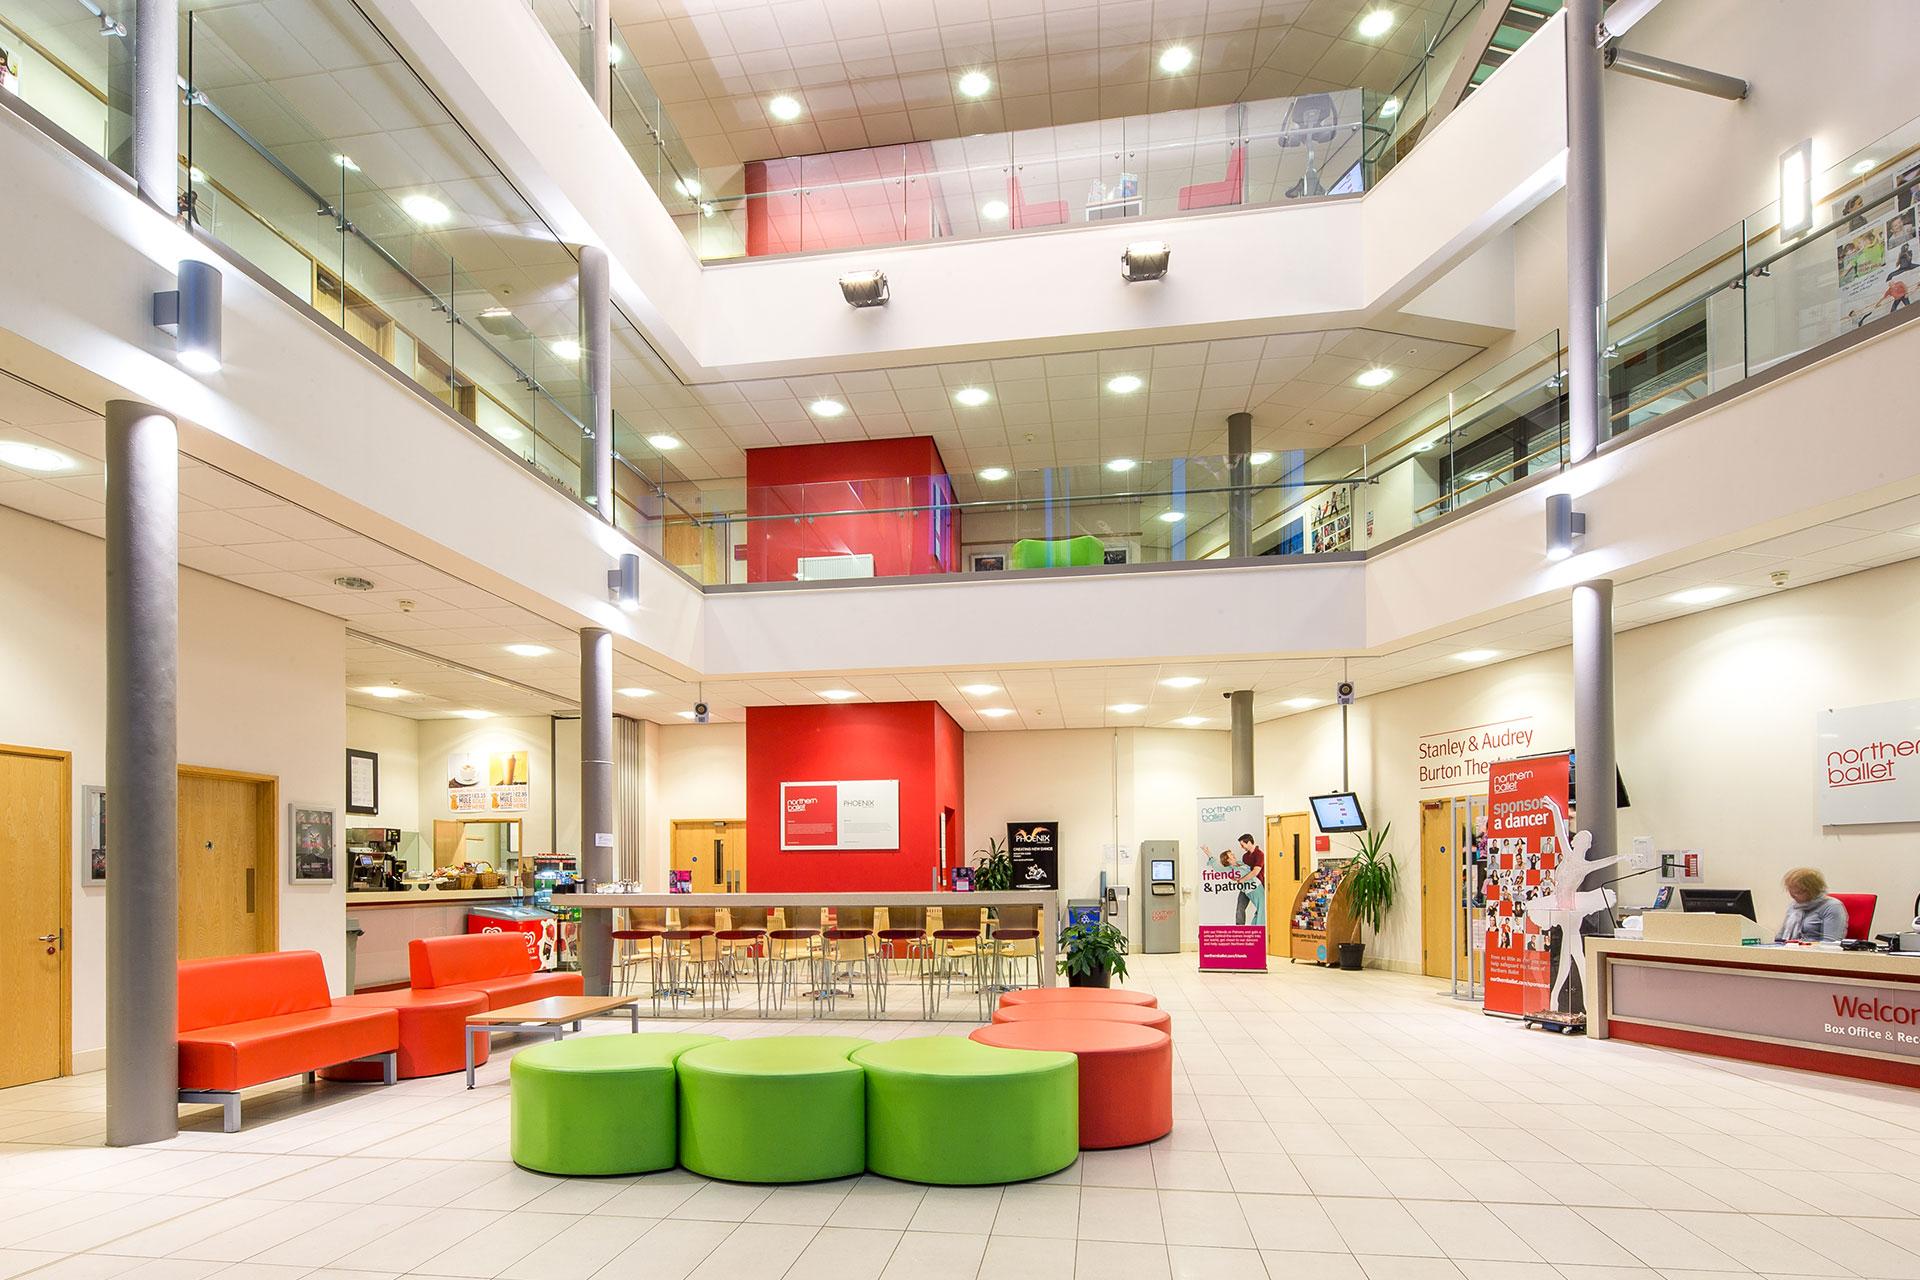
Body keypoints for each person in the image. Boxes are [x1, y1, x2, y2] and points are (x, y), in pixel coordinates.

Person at [1774, 867, 1849, 943]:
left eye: (1799, 892)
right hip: (1789, 950)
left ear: (1813, 890)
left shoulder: (1832, 906)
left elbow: (1831, 943)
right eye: (1791, 891)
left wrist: (1800, 945)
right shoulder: (1794, 906)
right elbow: (1780, 936)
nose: (1793, 895)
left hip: (1814, 953)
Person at [1234, 833, 1265, 926]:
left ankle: (1257, 927)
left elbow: (1256, 871)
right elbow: (1243, 870)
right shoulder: (1245, 856)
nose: (1242, 847)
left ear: (1249, 842)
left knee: (1260, 909)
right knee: (1240, 907)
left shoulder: (1260, 854)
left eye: (1242, 845)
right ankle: (1240, 930)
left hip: (1256, 887)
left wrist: (1242, 880)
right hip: (1245, 886)